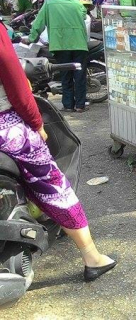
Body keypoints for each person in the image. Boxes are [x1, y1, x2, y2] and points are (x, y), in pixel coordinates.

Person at [0, 22, 116, 282]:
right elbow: (18, 87)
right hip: (6, 127)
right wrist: (37, 124)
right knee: (53, 186)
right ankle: (92, 257)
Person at [26, 0, 89, 113]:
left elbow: (39, 23)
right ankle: (80, 105)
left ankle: (67, 105)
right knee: (79, 75)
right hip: (79, 44)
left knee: (65, 74)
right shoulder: (77, 4)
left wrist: (31, 38)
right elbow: (84, 16)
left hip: (60, 45)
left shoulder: (49, 4)